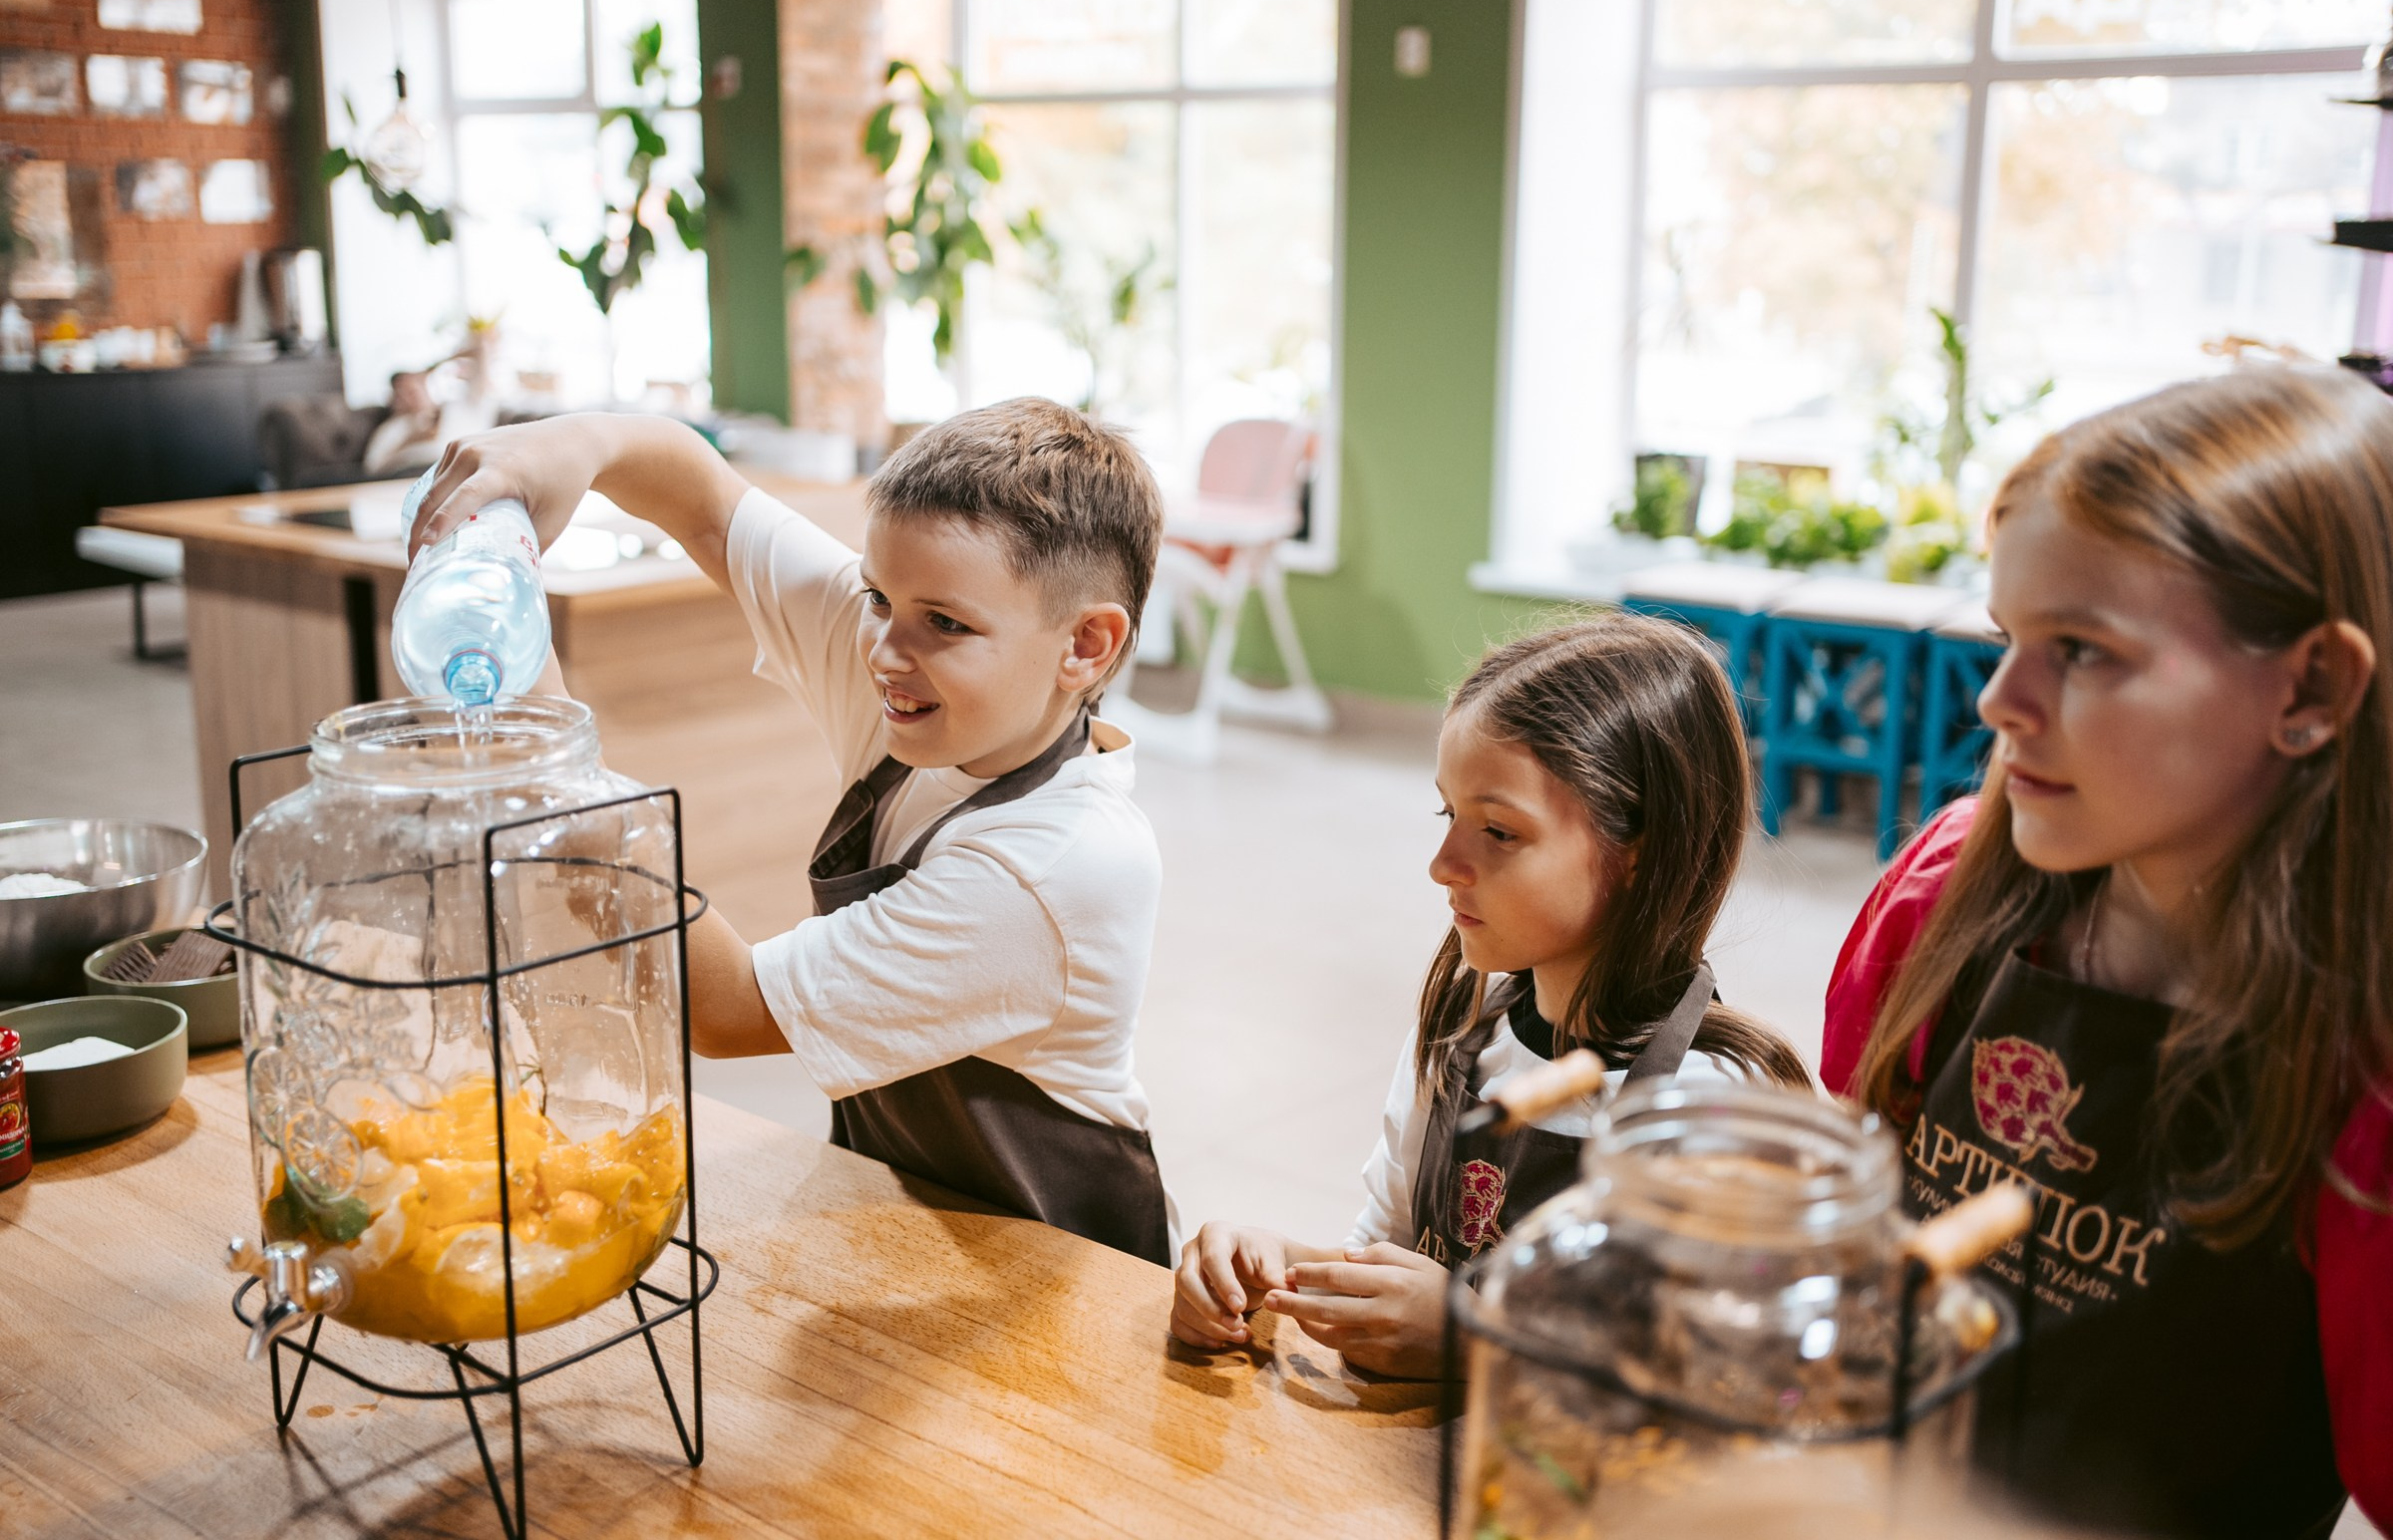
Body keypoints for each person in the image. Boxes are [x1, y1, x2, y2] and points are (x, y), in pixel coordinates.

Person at [1822, 367, 2393, 1538]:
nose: (1999, 701)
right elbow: (1849, 1211)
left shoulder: (2365, 1077)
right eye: (2010, 637)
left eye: (2081, 651)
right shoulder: (1941, 896)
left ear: (2314, 684)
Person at [407, 399, 1177, 1264]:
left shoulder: (1054, 868)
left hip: (1062, 1270)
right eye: (878, 597)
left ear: (1087, 645)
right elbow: (702, 502)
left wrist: (564, 772)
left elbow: (729, 1010)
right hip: (906, 1215)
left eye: (945, 624)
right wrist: (569, 445)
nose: (884, 649)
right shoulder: (934, 687)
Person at [1170, 616, 1811, 1376]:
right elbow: (1388, 1254)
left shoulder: (1714, 1107)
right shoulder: (1462, 1025)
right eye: (1449, 814)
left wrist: (1477, 1339)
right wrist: (1272, 1268)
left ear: (1641, 851)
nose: (1443, 864)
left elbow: (1708, 1384)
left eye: (1499, 832)